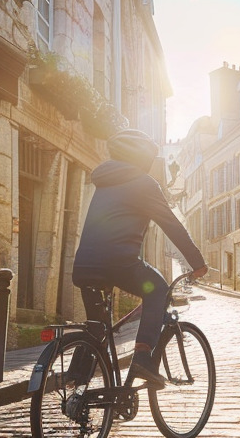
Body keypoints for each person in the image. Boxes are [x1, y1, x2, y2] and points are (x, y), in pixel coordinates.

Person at [73, 129, 208, 388]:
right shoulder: (143, 183)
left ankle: (76, 380)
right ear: (142, 158)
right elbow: (172, 225)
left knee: (97, 327)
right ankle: (143, 358)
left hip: (84, 265)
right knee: (157, 288)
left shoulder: (104, 181)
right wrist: (197, 263)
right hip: (118, 263)